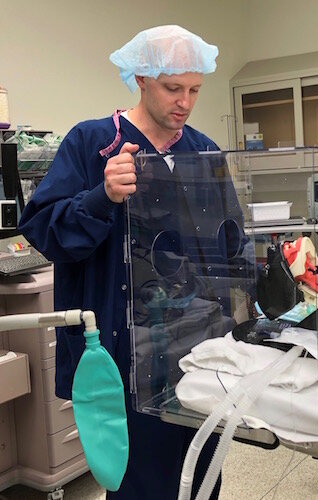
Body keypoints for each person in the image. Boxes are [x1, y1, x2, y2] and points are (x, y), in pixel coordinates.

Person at [19, 25, 230, 499]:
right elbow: (43, 229)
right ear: (140, 78)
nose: (185, 102)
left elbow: (226, 249)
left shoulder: (203, 151)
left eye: (195, 89)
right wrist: (102, 197)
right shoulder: (93, 143)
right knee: (141, 482)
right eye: (172, 88)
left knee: (202, 477)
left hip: (198, 349)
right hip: (125, 354)